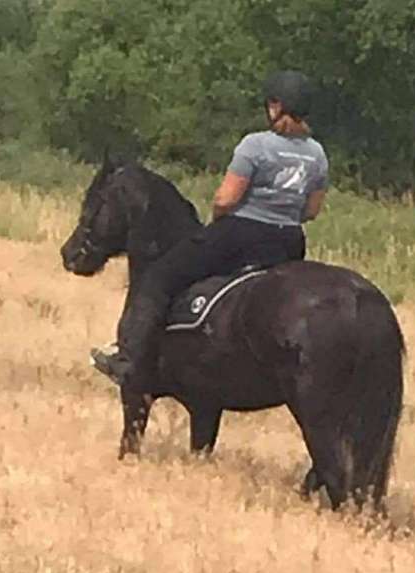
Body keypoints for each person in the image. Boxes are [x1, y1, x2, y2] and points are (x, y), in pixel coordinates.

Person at [91, 70, 329, 390]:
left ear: (276, 107)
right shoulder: (317, 154)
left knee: (159, 277)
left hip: (241, 232)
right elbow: (311, 211)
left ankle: (129, 358)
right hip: (288, 241)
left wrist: (219, 217)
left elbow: (226, 198)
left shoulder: (255, 145)